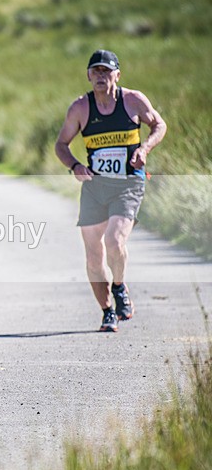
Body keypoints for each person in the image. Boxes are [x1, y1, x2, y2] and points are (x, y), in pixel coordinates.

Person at [55, 49, 167, 332]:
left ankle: (119, 287)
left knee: (114, 240)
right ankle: (107, 311)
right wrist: (75, 166)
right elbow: (61, 145)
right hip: (95, 187)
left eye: (107, 71)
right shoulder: (80, 108)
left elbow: (159, 125)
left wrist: (145, 147)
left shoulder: (133, 100)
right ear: (89, 76)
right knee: (93, 256)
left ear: (118, 74)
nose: (101, 76)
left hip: (128, 183)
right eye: (96, 71)